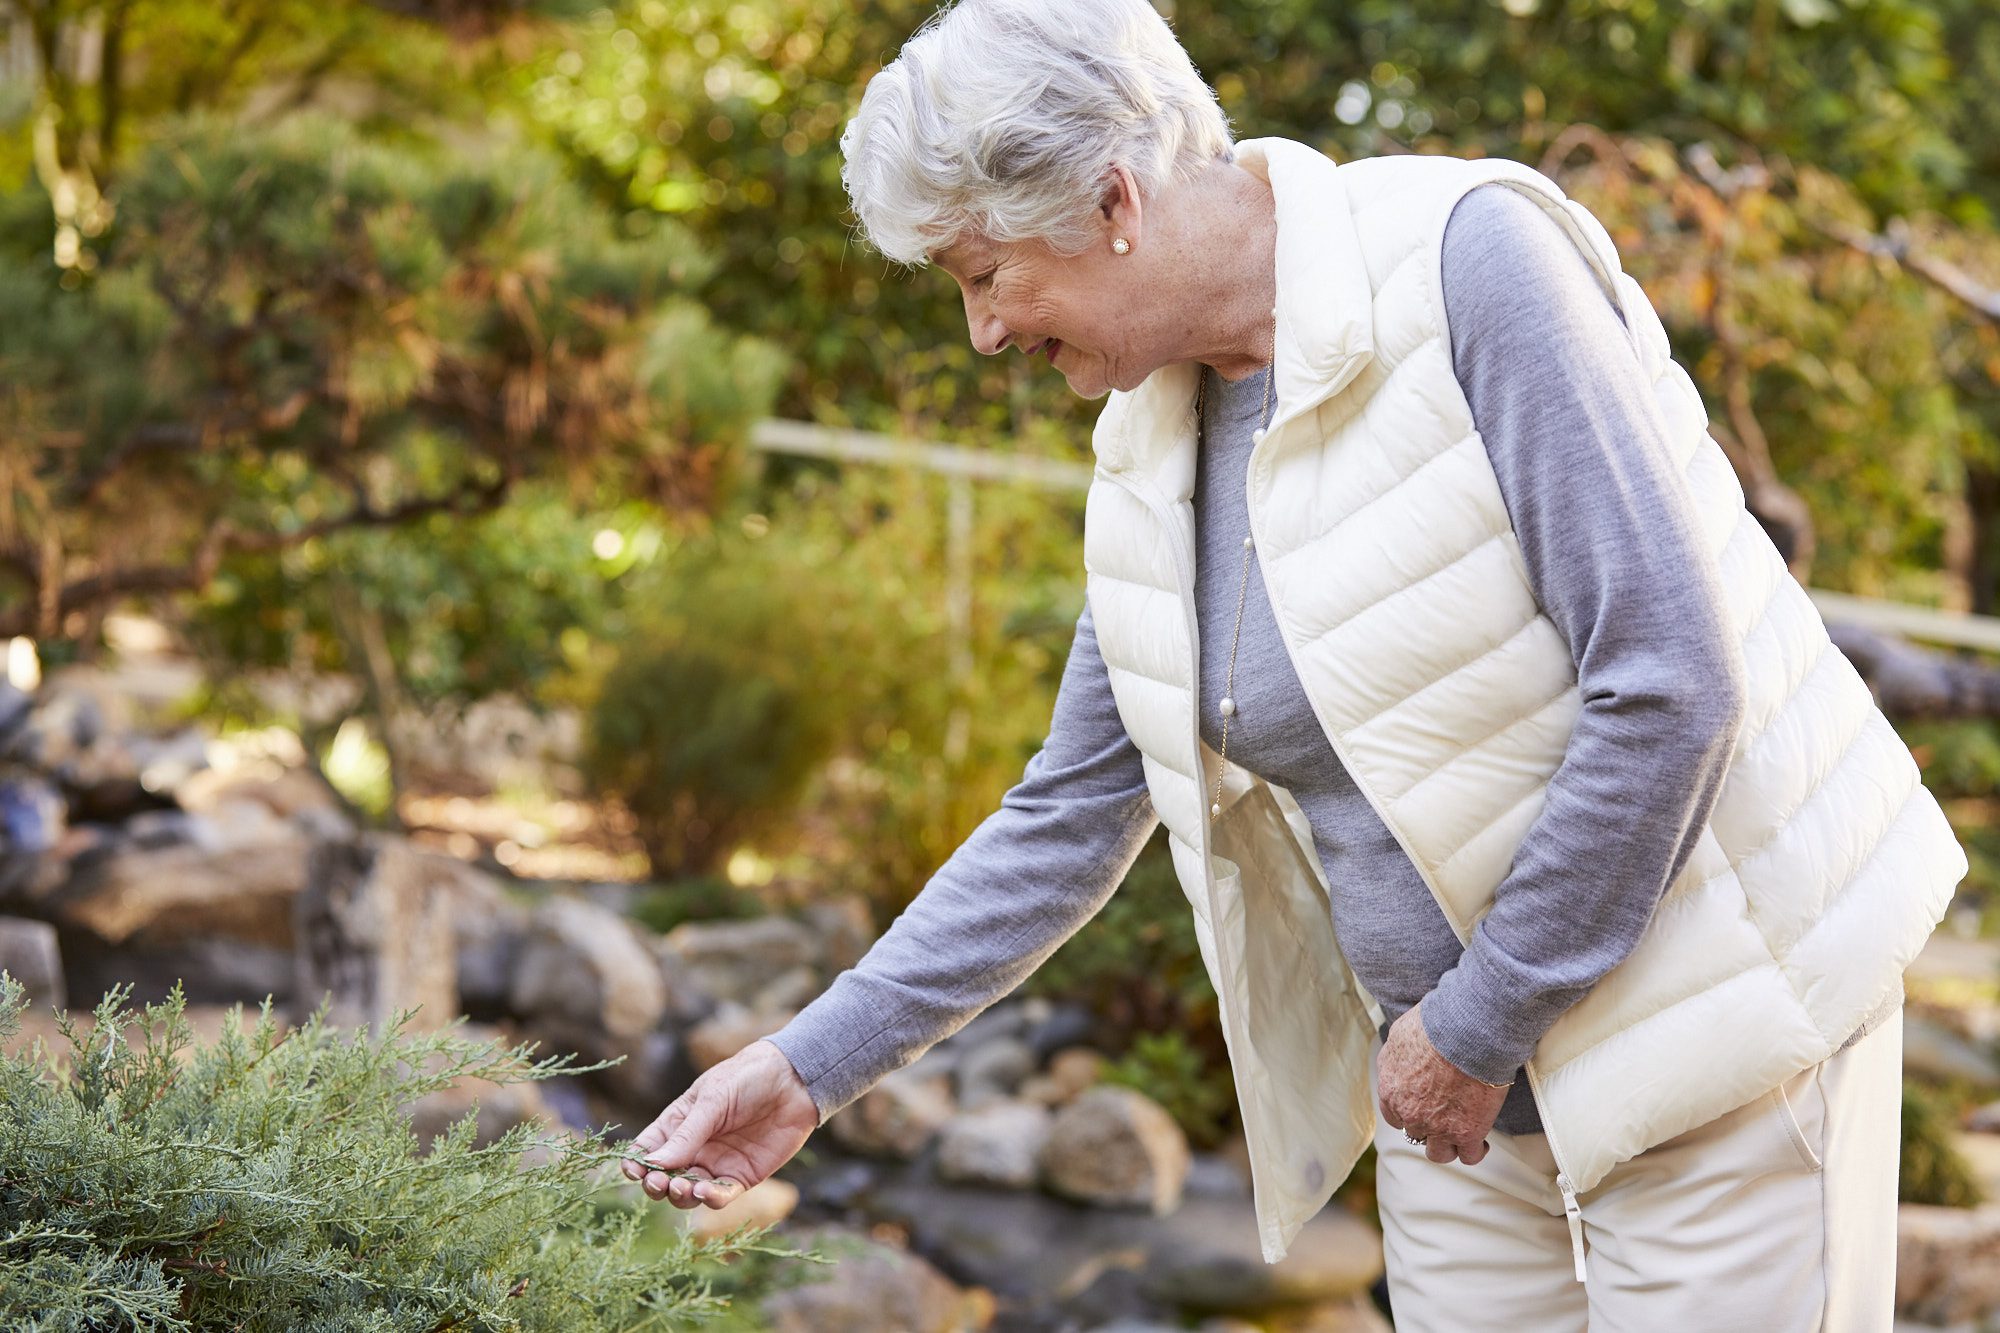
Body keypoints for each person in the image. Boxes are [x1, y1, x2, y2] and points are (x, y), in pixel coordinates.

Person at [623, 2, 1966, 1326]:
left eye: (984, 275)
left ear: (1111, 201)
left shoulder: (1467, 264)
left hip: (1720, 1025)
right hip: (1462, 1096)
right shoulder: (1153, 438)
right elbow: (1073, 808)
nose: (982, 334)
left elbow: (1669, 683)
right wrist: (808, 1069)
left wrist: (1477, 1023)